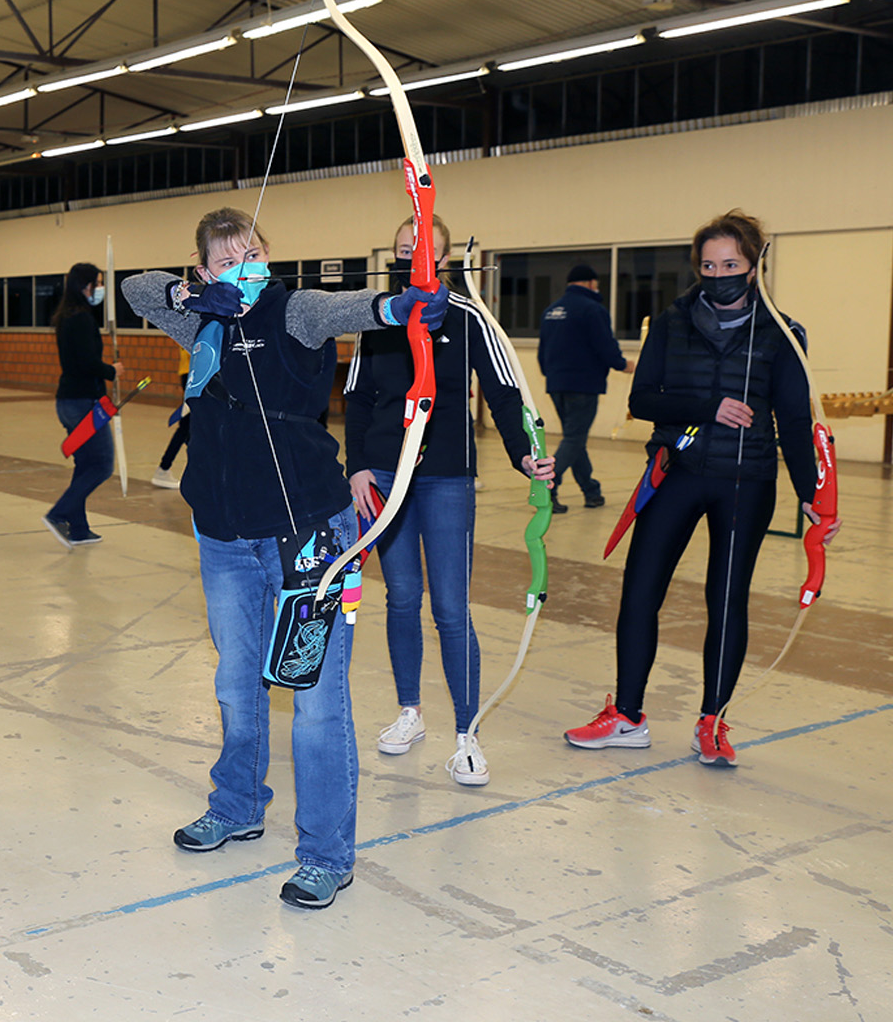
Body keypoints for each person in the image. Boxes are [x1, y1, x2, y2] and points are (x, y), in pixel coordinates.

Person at [124, 206, 447, 909]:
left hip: (309, 538)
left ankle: (327, 855)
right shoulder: (199, 318)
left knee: (316, 703)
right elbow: (135, 288)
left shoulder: (293, 308)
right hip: (224, 539)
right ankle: (237, 806)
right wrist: (189, 298)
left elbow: (347, 307)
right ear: (207, 268)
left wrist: (399, 305)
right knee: (237, 687)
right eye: (229, 255)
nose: (247, 261)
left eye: (255, 249)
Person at [564, 210, 838, 768]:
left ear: (755, 265)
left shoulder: (784, 333)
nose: (719, 275)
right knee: (640, 592)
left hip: (748, 484)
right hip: (677, 474)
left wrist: (812, 494)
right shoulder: (670, 322)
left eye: (731, 264)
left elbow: (791, 418)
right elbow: (643, 401)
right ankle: (628, 716)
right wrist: (706, 407)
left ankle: (712, 721)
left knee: (727, 600)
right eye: (709, 265)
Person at [344, 217, 555, 786]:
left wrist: (524, 456)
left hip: (445, 477)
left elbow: (506, 394)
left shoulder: (468, 317)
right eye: (401, 248)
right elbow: (359, 399)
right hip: (387, 476)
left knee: (451, 609)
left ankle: (467, 735)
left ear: (443, 258)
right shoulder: (379, 316)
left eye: (422, 249)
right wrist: (356, 466)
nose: (409, 254)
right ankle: (409, 712)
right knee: (402, 598)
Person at [537, 263, 632, 513]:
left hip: (556, 384)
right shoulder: (592, 310)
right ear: (590, 283)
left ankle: (591, 491)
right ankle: (548, 487)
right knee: (574, 438)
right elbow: (605, 345)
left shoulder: (551, 311)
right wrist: (623, 365)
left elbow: (542, 351)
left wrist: (552, 375)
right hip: (583, 385)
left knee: (575, 439)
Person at [44, 263, 121, 546]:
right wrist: (112, 370)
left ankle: (77, 527)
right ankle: (59, 513)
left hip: (70, 401)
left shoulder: (68, 316)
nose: (99, 288)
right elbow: (85, 363)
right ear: (84, 286)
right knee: (101, 464)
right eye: (97, 283)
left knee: (85, 463)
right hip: (82, 403)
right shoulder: (81, 319)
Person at [152, 345, 192, 490]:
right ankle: (163, 468)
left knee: (190, 428)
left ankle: (164, 468)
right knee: (187, 427)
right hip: (194, 373)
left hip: (191, 373)